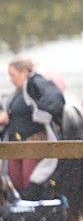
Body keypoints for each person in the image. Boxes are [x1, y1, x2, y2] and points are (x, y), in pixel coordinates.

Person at [0, 57, 66, 198]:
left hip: (32, 142)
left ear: (24, 72)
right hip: (15, 144)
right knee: (16, 184)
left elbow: (55, 99)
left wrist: (40, 114)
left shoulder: (36, 84)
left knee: (30, 185)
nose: (11, 80)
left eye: (13, 75)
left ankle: (33, 216)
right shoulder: (16, 94)